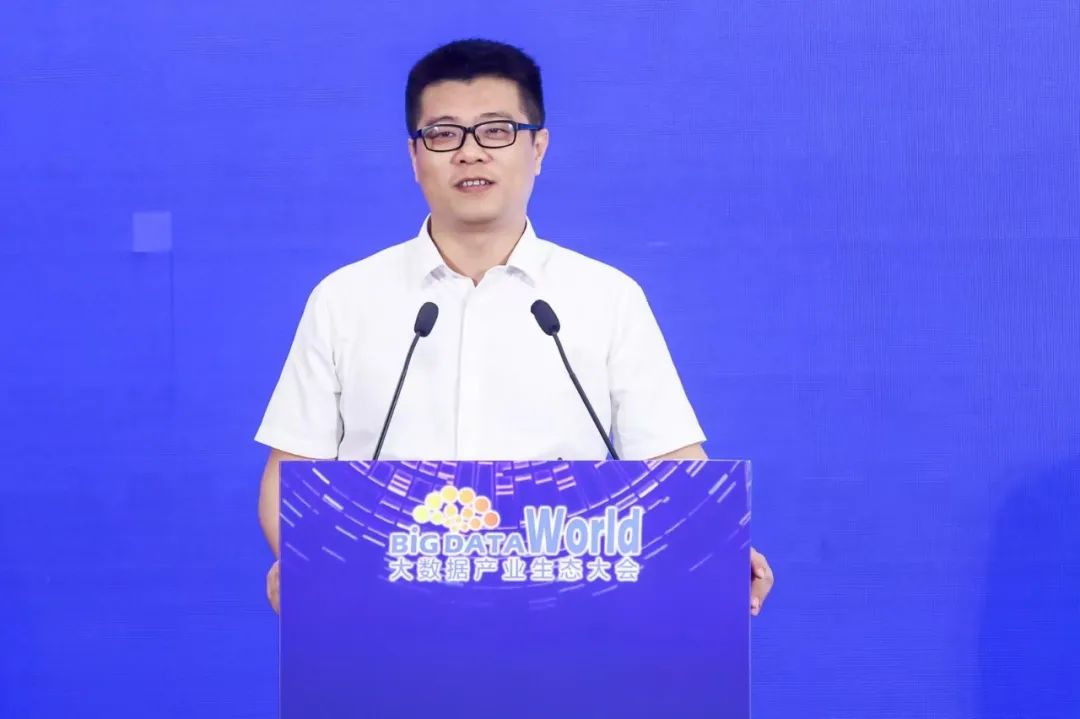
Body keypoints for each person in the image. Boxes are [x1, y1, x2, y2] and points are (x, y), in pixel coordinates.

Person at [255, 38, 773, 616]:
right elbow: (289, 475)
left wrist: (717, 549)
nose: (470, 153)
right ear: (415, 156)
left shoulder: (607, 298)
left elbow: (672, 462)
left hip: (570, 616)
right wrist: (305, 563)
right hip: (388, 616)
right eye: (444, 134)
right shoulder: (345, 299)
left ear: (538, 148)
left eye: (497, 130)